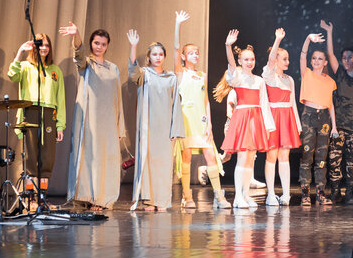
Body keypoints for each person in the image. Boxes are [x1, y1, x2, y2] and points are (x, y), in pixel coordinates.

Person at [60, 22, 126, 212]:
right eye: (96, 43)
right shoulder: (86, 64)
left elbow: (118, 98)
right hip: (89, 120)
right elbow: (78, 54)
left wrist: (120, 126)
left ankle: (102, 199)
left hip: (108, 122)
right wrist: (76, 35)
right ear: (91, 43)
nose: (99, 47)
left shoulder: (113, 68)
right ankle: (86, 197)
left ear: (107, 46)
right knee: (90, 158)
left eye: (103, 44)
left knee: (106, 160)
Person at [173, 11, 228, 209]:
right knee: (187, 155)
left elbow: (206, 101)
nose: (195, 55)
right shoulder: (180, 72)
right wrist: (178, 25)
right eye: (191, 53)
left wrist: (210, 124)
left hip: (202, 120)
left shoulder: (202, 75)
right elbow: (176, 47)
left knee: (210, 155)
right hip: (186, 119)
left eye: (197, 52)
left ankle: (219, 196)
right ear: (183, 56)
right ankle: (187, 196)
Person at [7, 33, 66, 200]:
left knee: (47, 158)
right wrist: (20, 52)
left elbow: (60, 99)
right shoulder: (25, 66)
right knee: (31, 157)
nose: (44, 48)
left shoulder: (55, 70)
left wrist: (60, 125)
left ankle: (41, 197)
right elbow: (12, 75)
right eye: (41, 45)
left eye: (47, 45)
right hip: (30, 111)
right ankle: (30, 197)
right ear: (34, 47)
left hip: (49, 114)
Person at [221, 29, 275, 209]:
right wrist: (228, 46)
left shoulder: (259, 80)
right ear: (240, 61)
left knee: (251, 159)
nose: (249, 62)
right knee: (243, 158)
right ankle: (238, 197)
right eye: (246, 59)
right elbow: (230, 65)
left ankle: (245, 194)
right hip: (243, 119)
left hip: (255, 120)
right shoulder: (237, 78)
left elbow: (264, 104)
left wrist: (268, 126)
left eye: (252, 59)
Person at [126, 29, 178, 211]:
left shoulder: (171, 77)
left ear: (164, 57)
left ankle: (162, 200)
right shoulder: (144, 74)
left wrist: (175, 129)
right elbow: (132, 73)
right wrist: (134, 47)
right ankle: (149, 200)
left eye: (161, 54)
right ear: (148, 57)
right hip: (148, 127)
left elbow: (176, 105)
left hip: (165, 128)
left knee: (163, 165)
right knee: (148, 163)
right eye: (154, 54)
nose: (158, 57)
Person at [320, 20, 353, 204]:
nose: (347, 60)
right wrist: (329, 32)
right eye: (345, 58)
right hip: (339, 126)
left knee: (352, 162)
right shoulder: (340, 73)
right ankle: (335, 191)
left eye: (350, 57)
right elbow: (330, 54)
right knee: (334, 159)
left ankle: (350, 192)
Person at [297, 29, 338, 206]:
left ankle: (321, 193)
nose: (316, 61)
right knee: (307, 155)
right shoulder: (307, 73)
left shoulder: (330, 81)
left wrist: (334, 126)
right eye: (314, 58)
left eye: (320, 58)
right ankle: (305, 194)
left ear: (325, 62)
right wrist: (307, 39)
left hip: (324, 120)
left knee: (322, 157)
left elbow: (331, 104)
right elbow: (302, 55)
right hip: (309, 116)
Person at [262, 28, 301, 206]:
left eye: (287, 59)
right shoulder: (269, 76)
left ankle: (286, 194)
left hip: (286, 119)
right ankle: (271, 194)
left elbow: (293, 104)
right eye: (284, 59)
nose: (287, 62)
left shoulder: (289, 79)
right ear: (276, 59)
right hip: (273, 119)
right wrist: (277, 40)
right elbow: (270, 61)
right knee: (271, 156)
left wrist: (297, 126)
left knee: (284, 156)